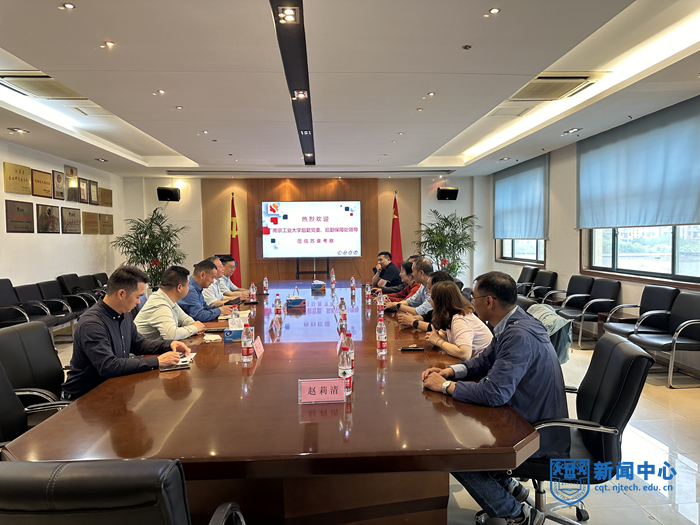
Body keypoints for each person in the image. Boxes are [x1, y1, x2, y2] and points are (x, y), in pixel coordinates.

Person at [421, 271, 570, 525]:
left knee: (454, 454)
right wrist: (451, 372)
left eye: (474, 297)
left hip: (536, 430)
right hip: (524, 414)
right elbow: (483, 361)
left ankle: (517, 514)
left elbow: (495, 393)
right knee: (463, 431)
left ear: (489, 301)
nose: (470, 303)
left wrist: (445, 386)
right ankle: (510, 487)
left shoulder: (519, 334)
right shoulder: (513, 322)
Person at [62, 266, 191, 400]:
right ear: (121, 294)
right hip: (85, 397)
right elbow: (108, 366)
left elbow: (138, 344)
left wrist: (169, 345)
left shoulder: (124, 313)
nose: (139, 301)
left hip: (113, 387)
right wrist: (157, 361)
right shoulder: (92, 324)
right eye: (137, 296)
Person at [423, 280, 493, 360]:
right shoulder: (453, 315)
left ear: (439, 302)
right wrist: (443, 336)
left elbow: (464, 354)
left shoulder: (460, 319)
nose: (429, 300)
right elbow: (457, 341)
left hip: (485, 365)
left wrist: (438, 341)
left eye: (431, 298)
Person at [135, 265, 206, 340]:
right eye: (187, 285)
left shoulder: (168, 299)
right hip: (143, 347)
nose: (188, 289)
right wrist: (194, 328)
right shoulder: (159, 304)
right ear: (179, 288)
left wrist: (193, 324)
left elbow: (184, 318)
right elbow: (171, 336)